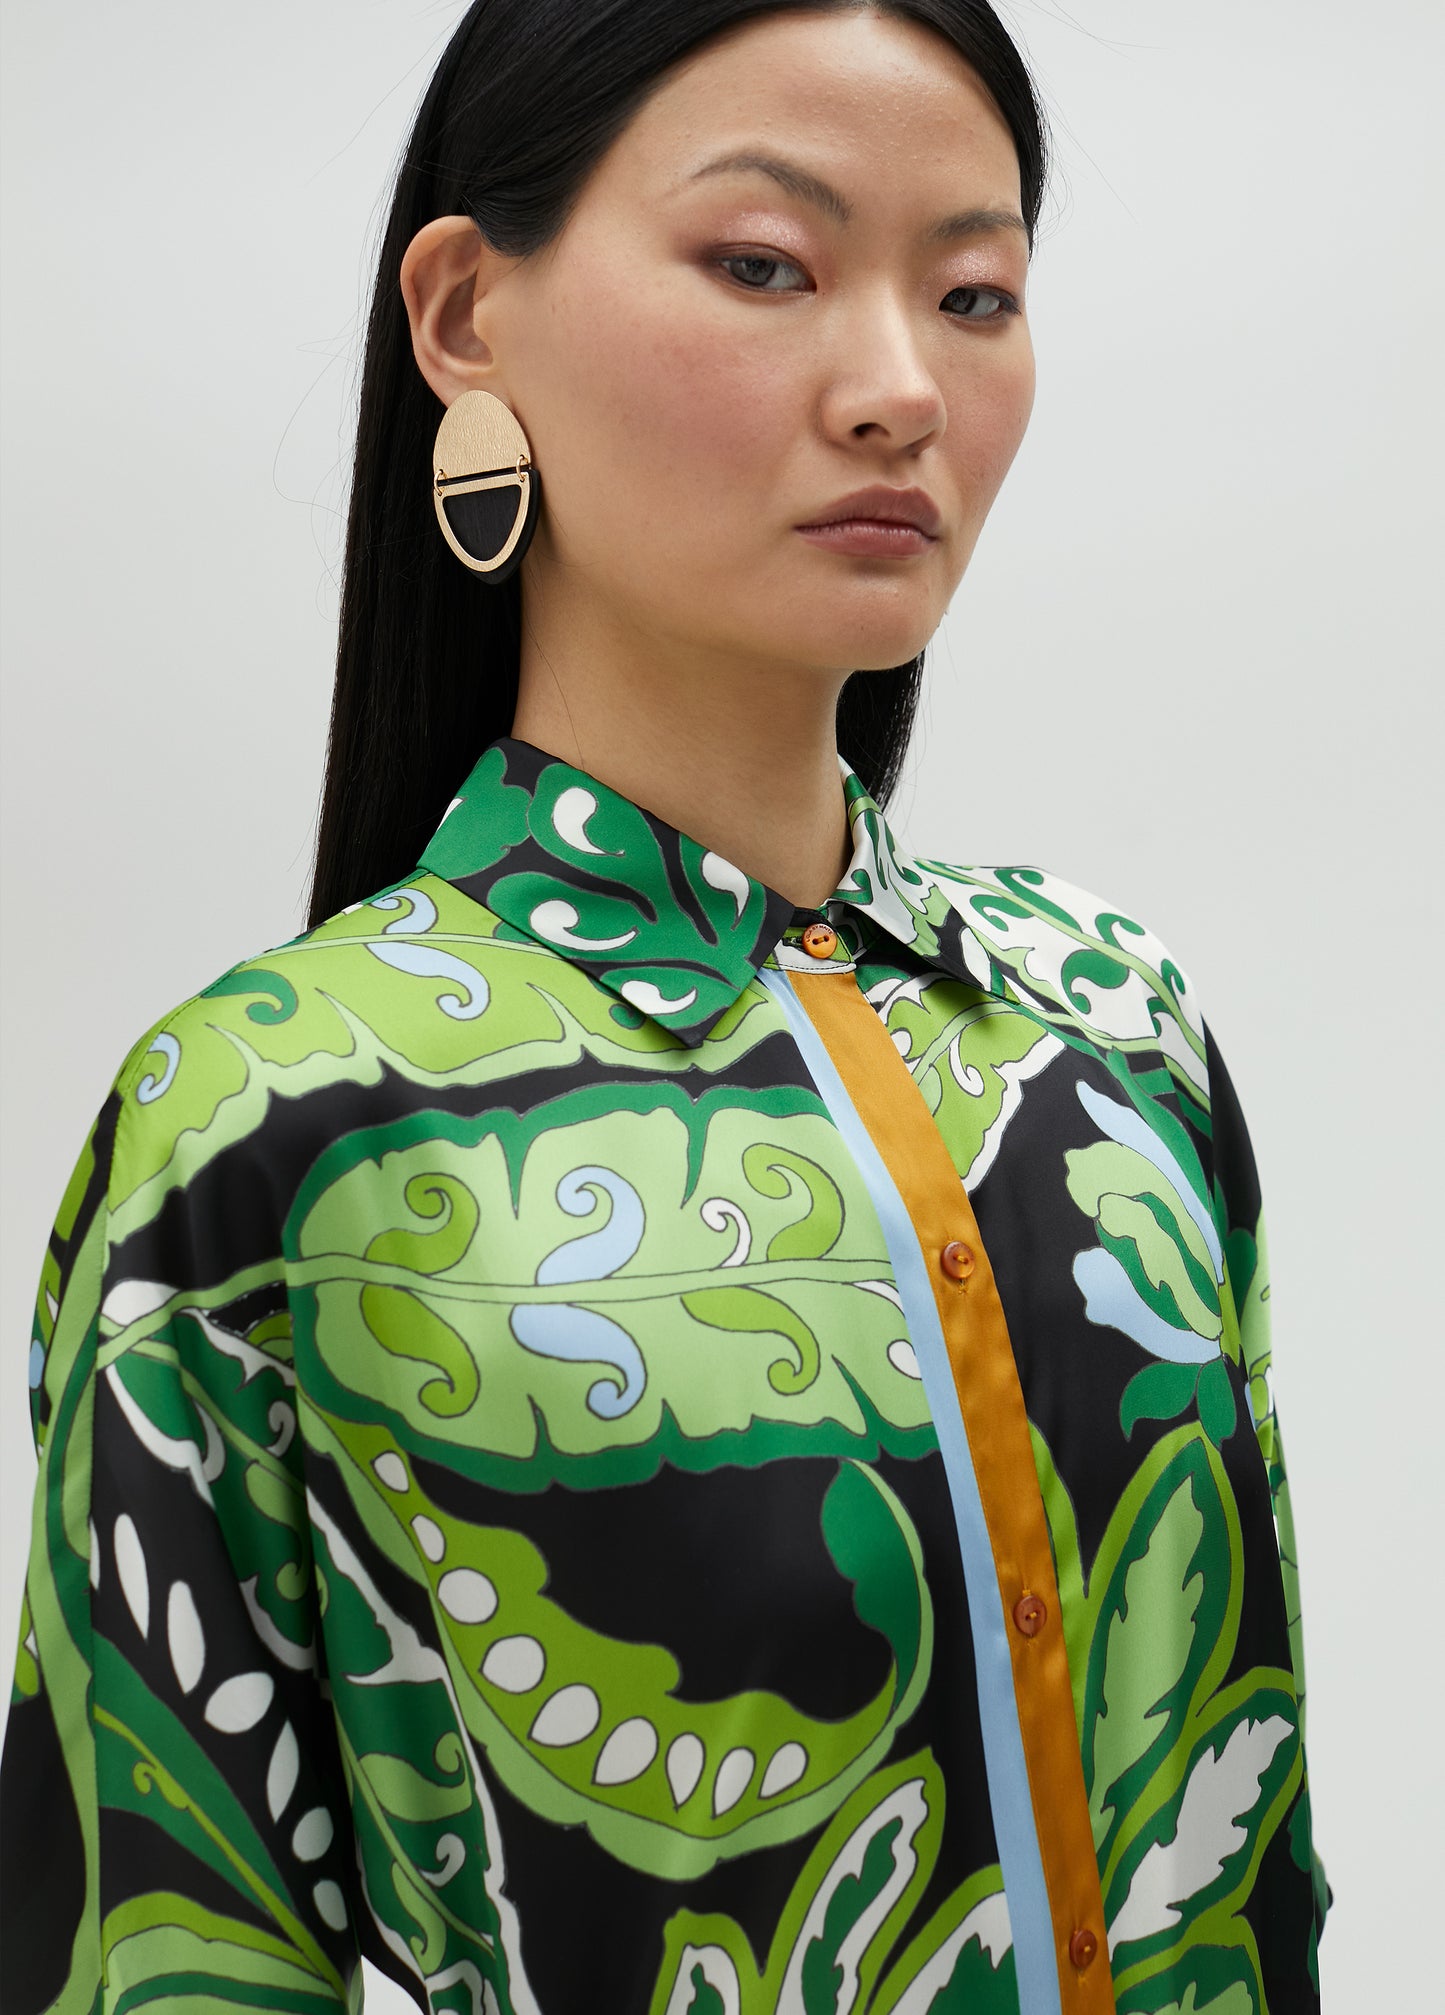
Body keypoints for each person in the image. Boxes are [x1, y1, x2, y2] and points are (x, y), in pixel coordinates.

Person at [0, 2, 1329, 2009]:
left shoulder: (1113, 1033)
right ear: (466, 316)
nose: (900, 389)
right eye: (766, 265)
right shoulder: (273, 1124)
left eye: (973, 293)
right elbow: (155, 1949)